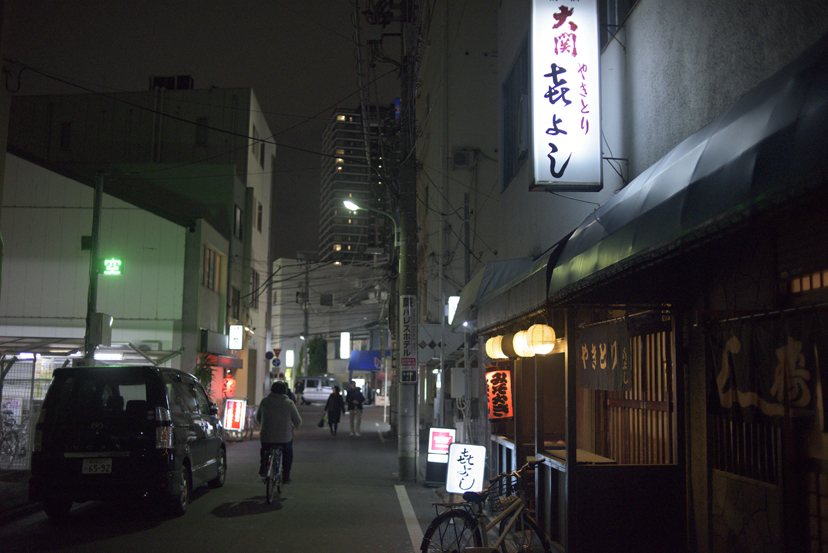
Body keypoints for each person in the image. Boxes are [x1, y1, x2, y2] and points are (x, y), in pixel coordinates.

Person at [256, 380, 302, 483]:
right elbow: (298, 421)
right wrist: (294, 426)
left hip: (266, 437)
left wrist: (264, 425)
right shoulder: (289, 403)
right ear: (284, 391)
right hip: (284, 438)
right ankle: (286, 475)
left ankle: (264, 467)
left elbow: (258, 417)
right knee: (288, 453)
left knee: (264, 449)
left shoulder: (264, 401)